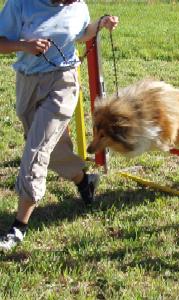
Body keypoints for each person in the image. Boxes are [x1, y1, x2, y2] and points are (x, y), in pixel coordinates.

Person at [0, 0, 119, 251]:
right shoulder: (21, 4)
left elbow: (80, 32)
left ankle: (18, 227)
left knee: (37, 149)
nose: (70, 1)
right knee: (50, 149)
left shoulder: (77, 6)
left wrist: (99, 24)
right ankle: (84, 180)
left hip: (64, 82)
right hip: (27, 82)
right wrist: (24, 46)